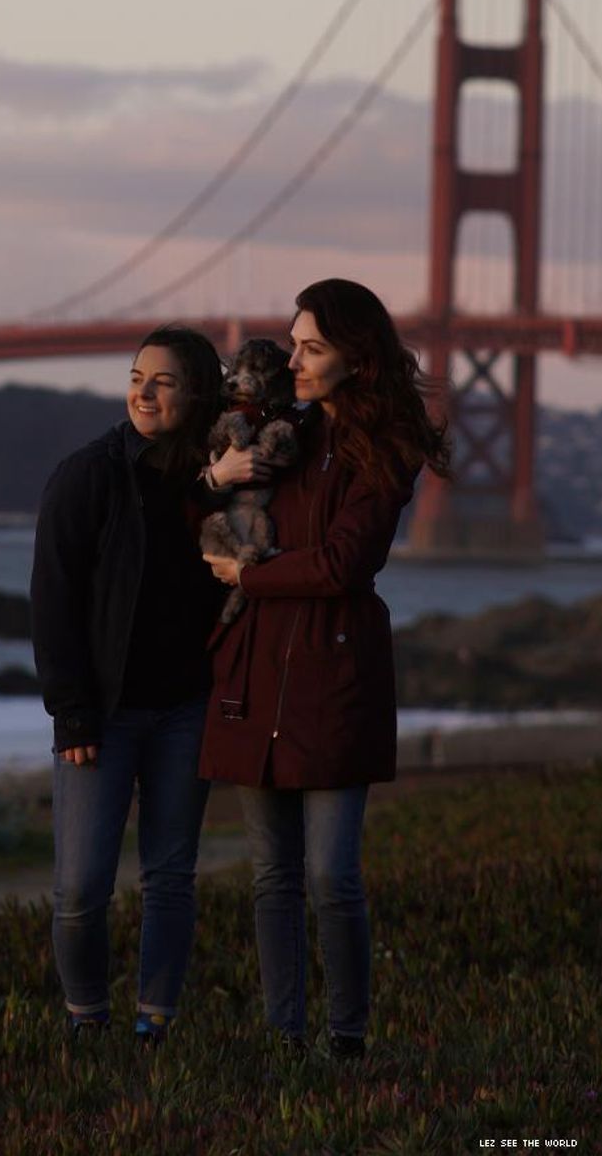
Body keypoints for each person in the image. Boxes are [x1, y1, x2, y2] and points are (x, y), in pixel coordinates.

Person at [200, 279, 450, 1060]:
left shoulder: (390, 447)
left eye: (312, 348)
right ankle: (284, 1038)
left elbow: (345, 562)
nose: (295, 360)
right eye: (295, 343)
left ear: (355, 355)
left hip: (331, 672)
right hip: (255, 668)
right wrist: (215, 485)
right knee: (272, 877)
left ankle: (346, 1040)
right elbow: (221, 516)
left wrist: (249, 578)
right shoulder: (286, 431)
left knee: (331, 876)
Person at [30, 324, 225, 1043]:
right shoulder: (88, 474)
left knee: (170, 877)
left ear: (199, 393)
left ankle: (156, 1023)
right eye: (137, 376)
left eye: (164, 381)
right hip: (103, 714)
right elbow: (52, 600)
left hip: (186, 709)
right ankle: (87, 1018)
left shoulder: (221, 481)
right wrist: (71, 714)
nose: (144, 391)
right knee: (80, 889)